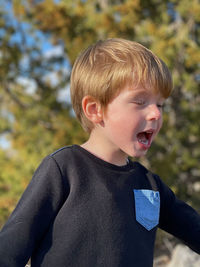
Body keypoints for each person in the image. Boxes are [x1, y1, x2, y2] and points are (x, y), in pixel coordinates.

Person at [0, 38, 199, 267]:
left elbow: (194, 228)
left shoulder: (149, 184)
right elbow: (9, 250)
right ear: (95, 110)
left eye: (160, 104)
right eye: (140, 101)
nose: (155, 113)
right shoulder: (63, 169)